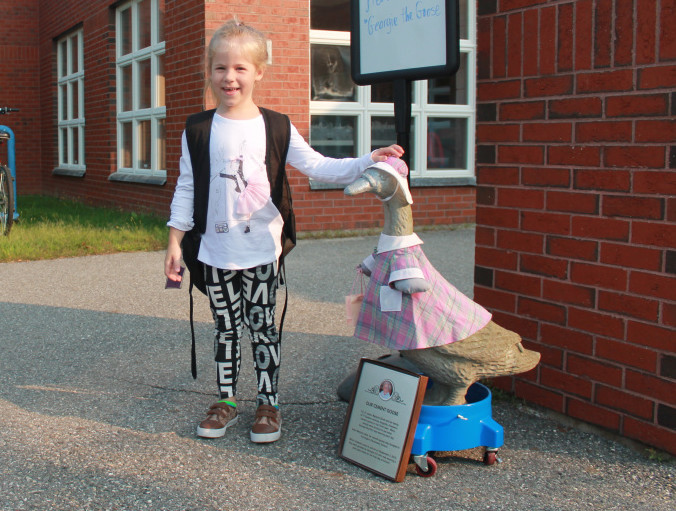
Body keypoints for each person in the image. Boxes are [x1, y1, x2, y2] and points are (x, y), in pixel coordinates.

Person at [164, 19, 403, 444]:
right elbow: (187, 185)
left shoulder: (275, 125)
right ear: (209, 71)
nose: (229, 77)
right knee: (224, 328)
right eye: (220, 68)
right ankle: (227, 401)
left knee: (263, 327)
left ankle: (268, 404)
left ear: (258, 71)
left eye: (240, 68)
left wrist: (370, 158)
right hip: (215, 253)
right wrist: (175, 242)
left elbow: (319, 165)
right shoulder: (198, 128)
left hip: (260, 253)